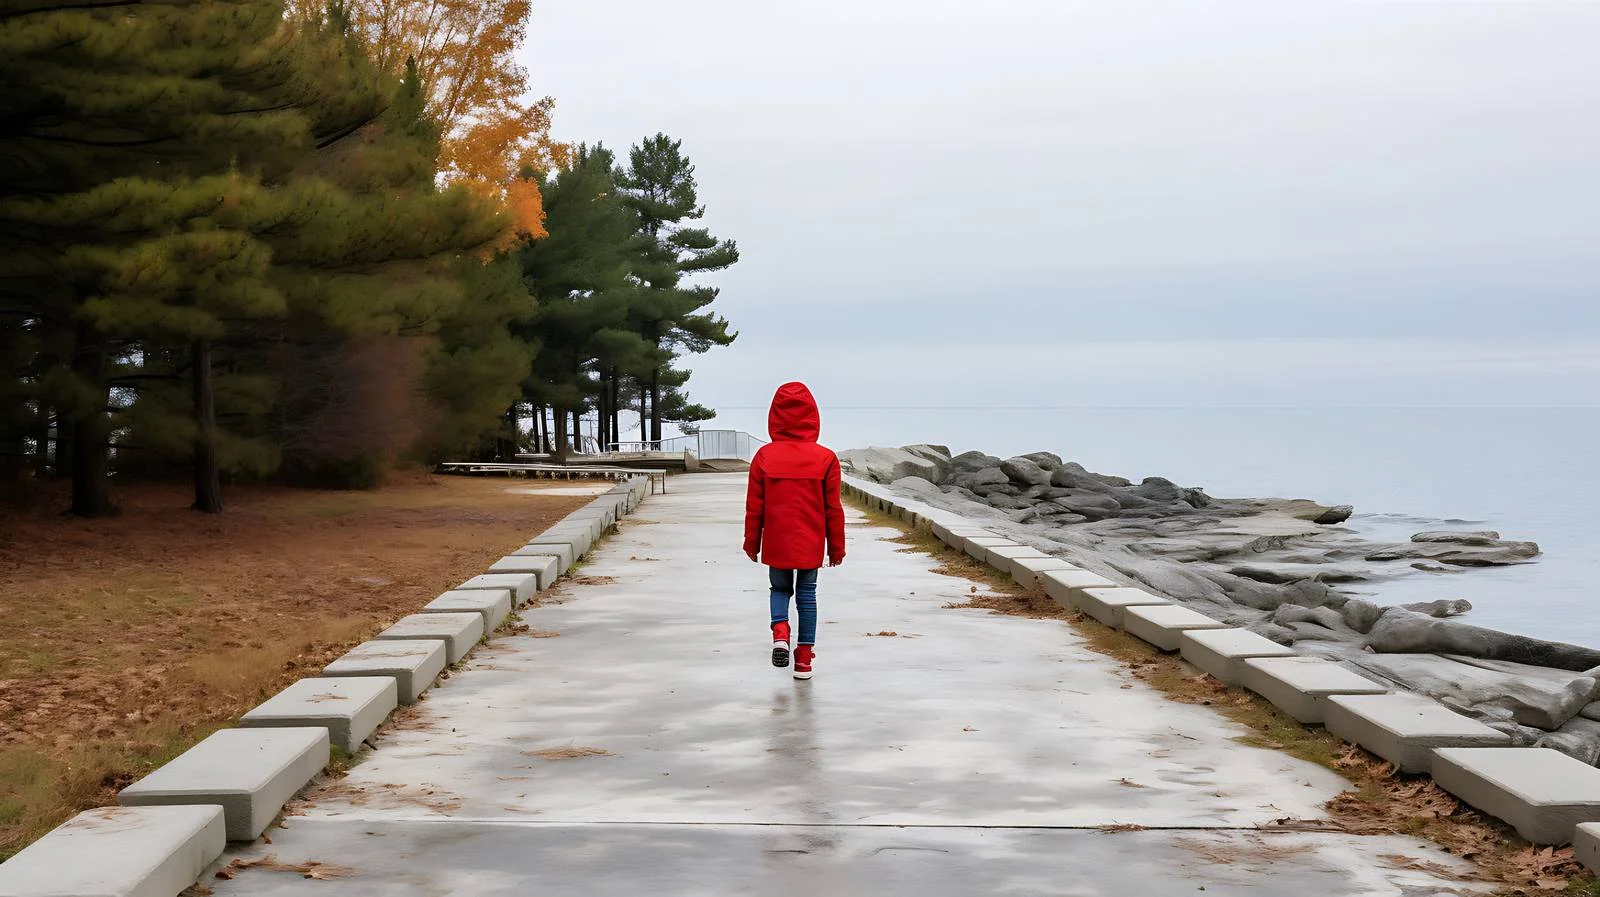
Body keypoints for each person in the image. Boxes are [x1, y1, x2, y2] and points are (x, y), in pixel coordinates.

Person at [743, 381, 845, 680]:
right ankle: (803, 661)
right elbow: (833, 510)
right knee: (807, 595)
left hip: (776, 539)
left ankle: (780, 633)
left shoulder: (764, 456)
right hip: (810, 542)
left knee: (779, 589)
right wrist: (836, 548)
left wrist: (752, 543)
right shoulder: (826, 458)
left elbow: (754, 507)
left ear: (774, 415)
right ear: (813, 416)